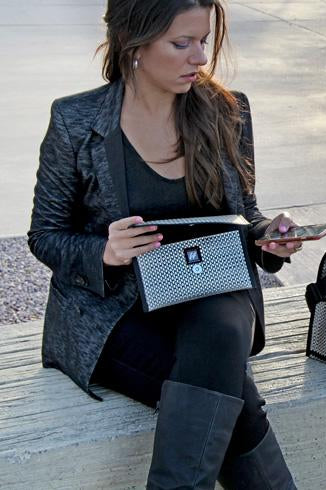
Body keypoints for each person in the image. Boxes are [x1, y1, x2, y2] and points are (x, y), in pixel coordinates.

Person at [27, 1, 299, 488]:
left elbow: (245, 212)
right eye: (182, 44)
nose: (200, 58)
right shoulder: (75, 121)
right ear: (136, 42)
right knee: (233, 392)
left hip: (212, 288)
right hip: (119, 311)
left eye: (203, 41)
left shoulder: (226, 111)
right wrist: (104, 252)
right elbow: (45, 236)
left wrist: (267, 239)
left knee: (217, 327)